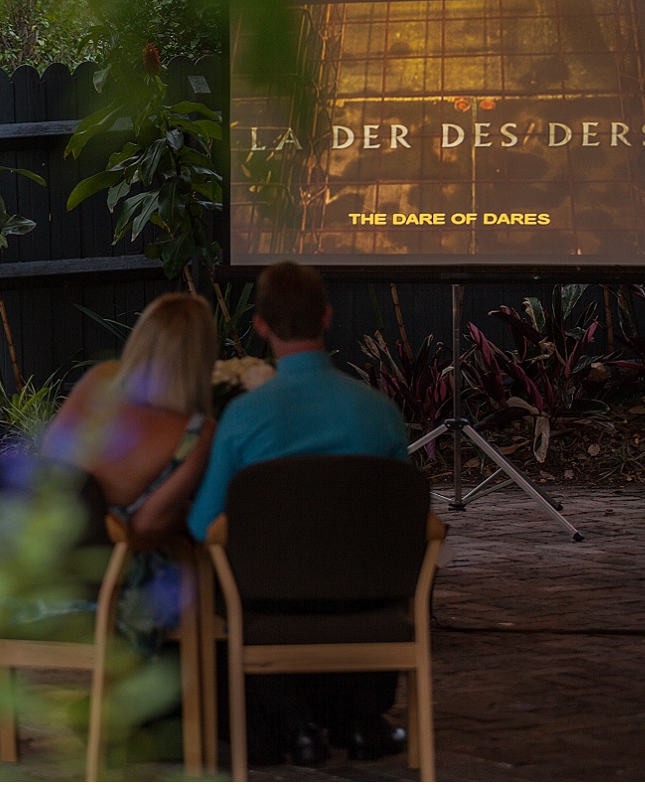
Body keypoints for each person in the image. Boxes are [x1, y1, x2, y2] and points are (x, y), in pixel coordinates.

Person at [187, 262, 411, 766]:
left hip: (269, 605)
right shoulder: (381, 413)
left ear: (261, 325)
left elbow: (203, 527)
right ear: (328, 317)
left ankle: (291, 722)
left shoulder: (244, 418)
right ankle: (359, 719)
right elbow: (405, 517)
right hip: (366, 600)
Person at [42, 291, 219, 653]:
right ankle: (193, 703)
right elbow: (146, 528)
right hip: (116, 597)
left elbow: (49, 468)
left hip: (48, 577)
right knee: (195, 578)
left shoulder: (98, 381)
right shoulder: (196, 431)